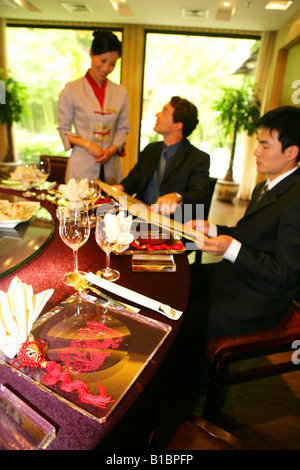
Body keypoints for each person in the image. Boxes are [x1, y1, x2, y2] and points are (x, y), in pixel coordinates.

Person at [186, 105, 300, 344]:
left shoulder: (296, 199)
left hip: (254, 300)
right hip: (232, 277)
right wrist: (213, 229)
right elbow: (250, 236)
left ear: (291, 152)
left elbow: (287, 273)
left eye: (265, 145)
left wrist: (230, 249)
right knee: (176, 278)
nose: (256, 152)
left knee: (183, 326)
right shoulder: (264, 187)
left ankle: (194, 378)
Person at [114, 96, 210, 220]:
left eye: (164, 112)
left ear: (177, 126)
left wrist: (178, 196)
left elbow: (199, 196)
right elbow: (134, 180)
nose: (157, 114)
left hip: (169, 223)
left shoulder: (198, 158)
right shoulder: (151, 149)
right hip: (138, 215)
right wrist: (120, 187)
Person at [57, 30, 130, 184]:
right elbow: (64, 130)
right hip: (82, 163)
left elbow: (123, 129)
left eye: (112, 64)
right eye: (102, 60)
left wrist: (112, 149)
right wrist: (88, 145)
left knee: (111, 206)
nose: (106, 68)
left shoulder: (120, 92)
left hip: (111, 165)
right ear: (91, 53)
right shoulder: (71, 89)